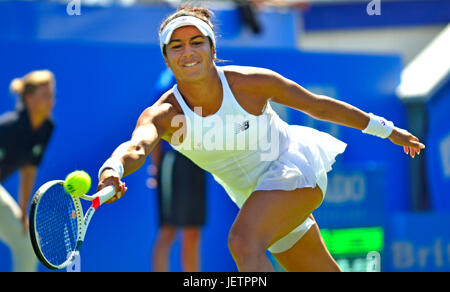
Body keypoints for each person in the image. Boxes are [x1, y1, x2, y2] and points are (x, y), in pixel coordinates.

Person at [96, 5, 425, 272]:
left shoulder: (250, 84)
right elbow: (136, 147)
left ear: (213, 49)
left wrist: (387, 129)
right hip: (254, 197)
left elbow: (317, 106)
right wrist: (113, 169)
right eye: (177, 46)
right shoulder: (163, 114)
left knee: (242, 242)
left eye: (197, 42)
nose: (188, 51)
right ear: (166, 58)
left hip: (293, 168)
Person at [149, 69, 207, 272]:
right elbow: (154, 128)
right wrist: (157, 167)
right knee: (168, 231)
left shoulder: (205, 79)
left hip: (197, 162)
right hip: (173, 163)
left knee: (193, 233)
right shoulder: (166, 85)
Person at [0, 70, 55, 272]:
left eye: (52, 96)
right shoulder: (8, 127)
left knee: (26, 243)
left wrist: (23, 212)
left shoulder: (47, 127)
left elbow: (29, 169)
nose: (51, 101)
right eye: (45, 96)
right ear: (28, 99)